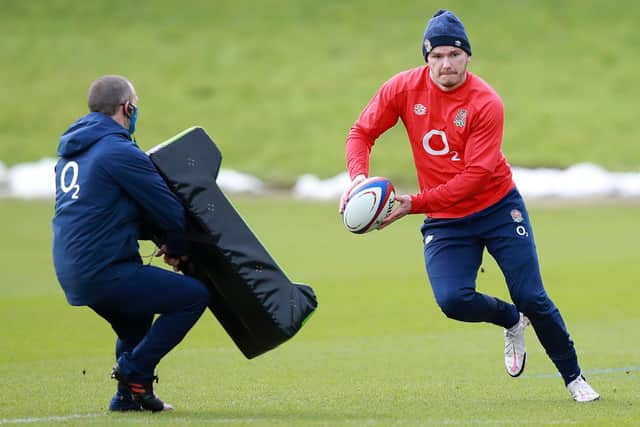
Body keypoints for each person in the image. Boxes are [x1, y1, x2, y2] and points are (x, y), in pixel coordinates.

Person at [339, 10, 600, 402]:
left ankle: (574, 377)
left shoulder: (485, 102)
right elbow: (361, 132)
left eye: (454, 55)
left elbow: (475, 177)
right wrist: (358, 176)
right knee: (452, 300)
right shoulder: (402, 89)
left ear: (467, 57)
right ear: (426, 58)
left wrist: (412, 204)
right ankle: (511, 319)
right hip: (446, 219)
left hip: (497, 207)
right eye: (437, 55)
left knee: (532, 295)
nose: (446, 64)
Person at [52, 75, 210, 412]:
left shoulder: (72, 154)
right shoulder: (118, 150)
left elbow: (107, 212)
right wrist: (178, 247)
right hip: (103, 269)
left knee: (135, 320)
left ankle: (126, 398)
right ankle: (133, 371)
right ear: (128, 107)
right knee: (192, 296)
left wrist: (165, 240)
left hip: (71, 269)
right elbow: (168, 208)